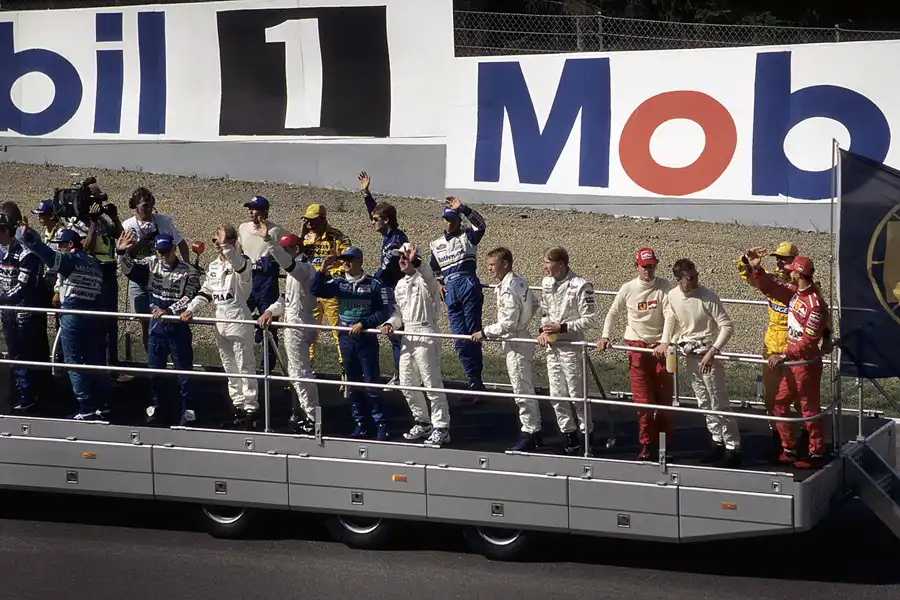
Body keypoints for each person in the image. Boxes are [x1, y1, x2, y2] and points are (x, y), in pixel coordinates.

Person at [746, 248, 830, 469]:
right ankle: (789, 449)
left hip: (806, 363)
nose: (788, 272)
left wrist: (784, 354)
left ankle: (815, 453)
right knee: (780, 403)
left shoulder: (815, 304)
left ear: (798, 275)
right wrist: (756, 268)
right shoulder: (795, 294)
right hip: (793, 361)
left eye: (792, 270)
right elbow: (771, 289)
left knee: (808, 409)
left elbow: (809, 342)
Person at [19, 220, 107, 420]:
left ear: (71, 245)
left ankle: (86, 408)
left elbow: (49, 256)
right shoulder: (94, 262)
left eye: (61, 244)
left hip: (73, 315)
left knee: (74, 361)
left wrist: (30, 238)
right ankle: (103, 404)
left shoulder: (69, 260)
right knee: (95, 361)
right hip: (95, 315)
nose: (59, 247)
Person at [662, 258, 741, 467]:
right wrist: (668, 341)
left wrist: (713, 350)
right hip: (689, 354)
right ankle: (717, 441)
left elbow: (726, 325)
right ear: (679, 279)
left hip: (708, 355)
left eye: (696, 275)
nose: (695, 279)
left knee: (718, 401)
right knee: (704, 402)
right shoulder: (672, 296)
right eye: (690, 277)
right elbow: (671, 318)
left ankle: (732, 447)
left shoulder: (708, 296)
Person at [597, 248, 674, 461]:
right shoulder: (628, 288)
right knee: (643, 403)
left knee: (664, 402)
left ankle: (665, 445)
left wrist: (665, 342)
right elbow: (613, 312)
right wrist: (605, 336)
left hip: (660, 348)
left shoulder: (665, 287)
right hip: (637, 347)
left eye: (652, 266)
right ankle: (647, 445)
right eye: (644, 266)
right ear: (636, 266)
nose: (648, 270)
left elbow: (669, 315)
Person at [117, 232, 201, 426]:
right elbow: (128, 270)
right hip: (156, 327)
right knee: (155, 371)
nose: (163, 254)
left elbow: (190, 297)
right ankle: (157, 406)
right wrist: (122, 253)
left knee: (184, 372)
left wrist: (169, 310)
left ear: (173, 249)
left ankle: (188, 408)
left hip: (178, 326)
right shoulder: (150, 263)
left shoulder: (189, 271)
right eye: (160, 250)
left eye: (166, 250)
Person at [311, 247, 390, 440]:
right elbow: (316, 290)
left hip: (366, 339)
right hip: (346, 339)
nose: (345, 263)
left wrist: (364, 324)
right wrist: (322, 271)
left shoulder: (374, 284)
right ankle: (361, 424)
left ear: (360, 261)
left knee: (371, 384)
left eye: (350, 259)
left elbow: (384, 311)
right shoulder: (338, 283)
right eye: (343, 259)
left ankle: (381, 425)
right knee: (353, 384)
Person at [182, 224, 258, 428]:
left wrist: (228, 244)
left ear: (231, 242)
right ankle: (238, 406)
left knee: (245, 366)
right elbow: (206, 292)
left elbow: (237, 263)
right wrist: (191, 309)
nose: (215, 243)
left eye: (218, 239)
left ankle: (251, 409)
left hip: (239, 319)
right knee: (229, 367)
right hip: (220, 321)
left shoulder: (243, 262)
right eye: (215, 240)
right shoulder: (213, 266)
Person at [381, 241, 450, 447]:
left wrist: (417, 260)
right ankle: (423, 421)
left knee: (431, 383)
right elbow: (398, 313)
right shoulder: (400, 284)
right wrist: (390, 323)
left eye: (405, 256)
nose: (401, 259)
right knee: (406, 382)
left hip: (426, 331)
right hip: (408, 334)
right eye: (400, 257)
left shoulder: (426, 280)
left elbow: (429, 276)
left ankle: (442, 427)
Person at [737, 241, 803, 457]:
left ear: (796, 260)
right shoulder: (771, 278)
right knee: (772, 397)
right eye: (778, 258)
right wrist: (747, 260)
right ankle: (779, 440)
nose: (781, 262)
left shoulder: (804, 284)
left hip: (795, 343)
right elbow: (747, 276)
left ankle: (806, 439)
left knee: (799, 397)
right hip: (772, 344)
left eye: (786, 259)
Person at [472, 247, 542, 451]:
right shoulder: (517, 282)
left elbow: (509, 323)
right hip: (519, 337)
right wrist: (525, 319)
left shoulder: (510, 286)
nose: (490, 270)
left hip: (516, 340)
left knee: (521, 388)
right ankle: (534, 430)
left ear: (505, 264)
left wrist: (484, 332)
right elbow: (534, 303)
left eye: (492, 265)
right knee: (524, 386)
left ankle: (529, 430)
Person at [255, 225, 319, 435]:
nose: (284, 253)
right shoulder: (295, 271)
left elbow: (289, 264)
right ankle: (303, 413)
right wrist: (269, 311)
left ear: (295, 248)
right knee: (296, 372)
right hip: (295, 321)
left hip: (299, 324)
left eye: (286, 249)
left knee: (301, 373)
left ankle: (312, 417)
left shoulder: (304, 269)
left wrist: (270, 243)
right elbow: (286, 300)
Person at [537, 247, 597, 455]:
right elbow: (544, 311)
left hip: (572, 347)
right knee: (556, 395)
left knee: (577, 394)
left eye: (548, 262)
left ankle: (587, 433)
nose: (545, 266)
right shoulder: (546, 283)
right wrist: (543, 330)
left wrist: (562, 328)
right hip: (552, 346)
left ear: (560, 264)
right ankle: (569, 434)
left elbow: (590, 320)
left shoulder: (582, 286)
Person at [429, 196, 487, 393]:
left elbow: (482, 224)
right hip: (451, 294)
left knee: (473, 337)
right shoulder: (435, 245)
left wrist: (464, 208)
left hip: (469, 288)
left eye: (453, 219)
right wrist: (438, 282)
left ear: (459, 220)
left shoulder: (468, 236)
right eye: (446, 219)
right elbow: (433, 269)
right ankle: (472, 380)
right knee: (459, 342)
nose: (449, 223)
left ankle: (476, 383)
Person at [121, 187, 190, 349]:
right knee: (144, 320)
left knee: (164, 315)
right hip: (138, 276)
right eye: (144, 206)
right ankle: (151, 358)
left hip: (162, 277)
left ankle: (166, 358)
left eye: (150, 205)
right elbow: (124, 255)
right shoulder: (128, 225)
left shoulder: (164, 221)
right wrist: (141, 243)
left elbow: (181, 242)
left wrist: (187, 265)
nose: (148, 209)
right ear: (136, 206)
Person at [360, 171, 408, 387]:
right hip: (390, 290)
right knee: (394, 336)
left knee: (398, 336)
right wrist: (367, 194)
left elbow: (386, 268)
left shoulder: (397, 240)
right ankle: (401, 375)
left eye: (376, 220)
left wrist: (369, 281)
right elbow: (376, 213)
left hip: (398, 291)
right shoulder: (389, 234)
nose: (372, 223)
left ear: (386, 220)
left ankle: (404, 376)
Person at [0, 213, 50, 412]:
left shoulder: (26, 254)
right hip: (7, 312)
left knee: (27, 354)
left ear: (5, 231)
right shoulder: (2, 252)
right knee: (14, 354)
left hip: (23, 312)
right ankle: (22, 394)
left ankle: (31, 395)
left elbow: (22, 287)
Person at [237, 195, 284, 373]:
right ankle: (243, 366)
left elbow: (291, 246)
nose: (250, 211)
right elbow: (240, 248)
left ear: (265, 212)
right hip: (248, 279)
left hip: (267, 282)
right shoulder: (243, 227)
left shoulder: (276, 230)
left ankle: (267, 369)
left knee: (269, 326)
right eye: (249, 207)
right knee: (241, 319)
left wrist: (273, 262)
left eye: (254, 208)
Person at [301, 203, 351, 369]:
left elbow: (347, 262)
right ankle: (306, 369)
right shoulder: (306, 237)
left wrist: (331, 276)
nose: (310, 224)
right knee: (309, 332)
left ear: (323, 219)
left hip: (330, 291)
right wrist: (301, 237)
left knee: (338, 332)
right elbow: (297, 257)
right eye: (307, 220)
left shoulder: (338, 237)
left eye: (313, 220)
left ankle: (346, 370)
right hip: (311, 291)